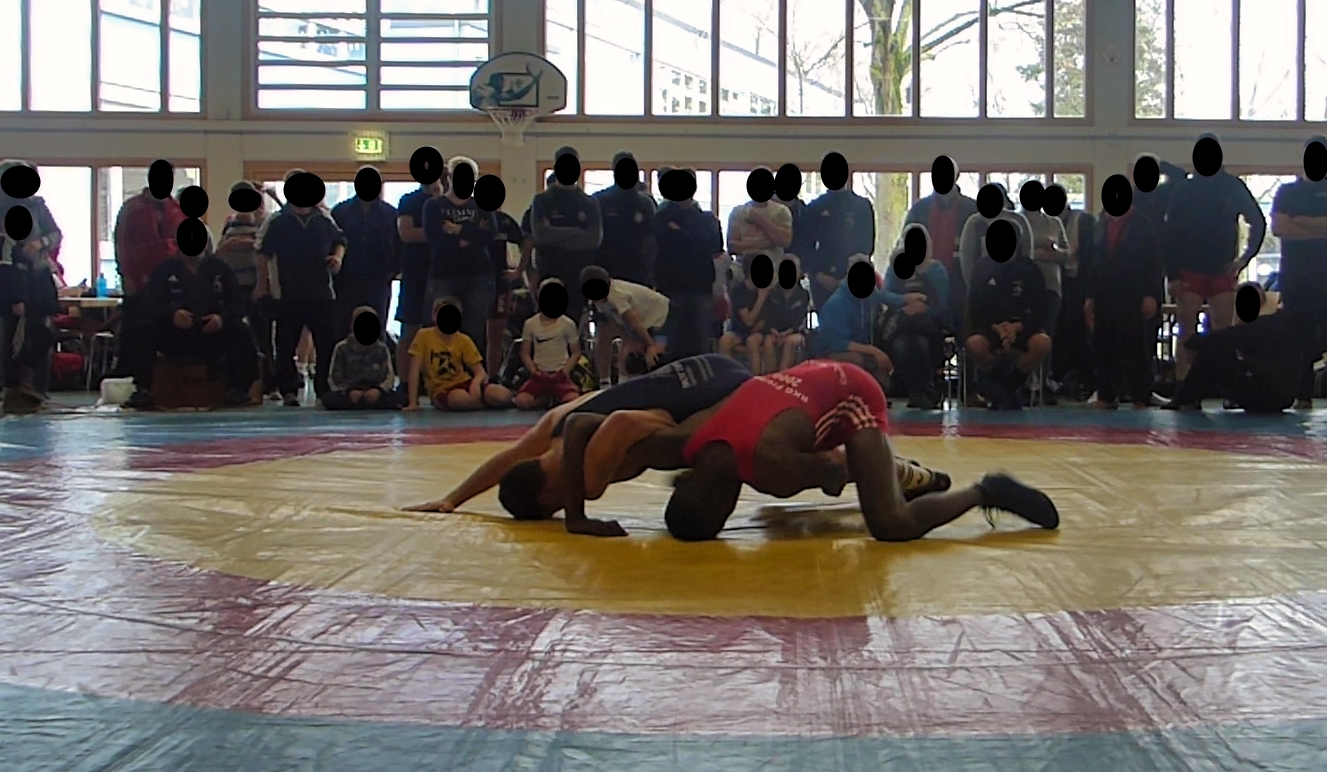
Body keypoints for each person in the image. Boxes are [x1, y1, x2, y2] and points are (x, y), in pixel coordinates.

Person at [561, 360, 1055, 541]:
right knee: (821, 484)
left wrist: (829, 473)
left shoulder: (772, 467)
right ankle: (914, 475)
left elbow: (838, 470)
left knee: (891, 523)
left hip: (851, 390)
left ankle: (985, 491)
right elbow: (580, 424)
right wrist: (575, 517)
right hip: (802, 376)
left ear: (724, 505)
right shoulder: (684, 444)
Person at [1164, 133, 1267, 382]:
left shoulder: (1232, 186)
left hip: (1222, 269)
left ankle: (1224, 385)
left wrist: (1244, 259)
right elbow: (1170, 233)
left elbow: (1258, 222)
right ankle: (1183, 386)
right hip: (1190, 270)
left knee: (1223, 333)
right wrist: (1173, 274)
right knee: (1187, 331)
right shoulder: (1185, 189)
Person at [123, 235, 258, 409]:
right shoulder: (164, 269)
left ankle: (238, 389)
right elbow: (150, 304)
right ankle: (142, 389)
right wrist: (172, 314)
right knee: (144, 329)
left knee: (240, 330)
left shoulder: (220, 268)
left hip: (213, 333)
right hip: (175, 334)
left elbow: (238, 304)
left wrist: (221, 318)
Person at [256, 180, 345, 406]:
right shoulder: (277, 220)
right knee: (285, 344)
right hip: (288, 293)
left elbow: (340, 240)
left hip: (321, 292)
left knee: (326, 343)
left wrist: (337, 258)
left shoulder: (323, 219)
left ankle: (324, 389)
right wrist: (262, 286)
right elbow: (262, 253)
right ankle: (289, 389)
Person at [1085, 186, 1164, 409]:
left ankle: (1141, 396)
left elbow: (1153, 263)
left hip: (1133, 294)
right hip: (1104, 293)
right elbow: (1092, 262)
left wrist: (1151, 294)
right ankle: (1106, 395)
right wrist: (1089, 296)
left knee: (1135, 346)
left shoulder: (1143, 224)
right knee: (1103, 345)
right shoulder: (1100, 225)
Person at [1165, 283, 1298, 413]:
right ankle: (1187, 398)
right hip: (1283, 397)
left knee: (1213, 350)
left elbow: (1213, 339)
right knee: (1216, 346)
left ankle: (1185, 399)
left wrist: (1190, 345)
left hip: (1264, 395)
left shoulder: (1252, 328)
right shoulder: (1277, 322)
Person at [112, 171, 188, 379]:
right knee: (134, 330)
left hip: (169, 282)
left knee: (164, 328)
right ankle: (128, 378)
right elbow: (122, 244)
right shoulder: (132, 208)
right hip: (139, 280)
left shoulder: (176, 209)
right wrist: (125, 274)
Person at [1270, 137, 1327, 409]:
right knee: (1299, 336)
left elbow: (1290, 226)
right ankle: (1301, 394)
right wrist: (1320, 229)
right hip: (1296, 277)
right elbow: (1280, 228)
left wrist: (1300, 222)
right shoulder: (1288, 192)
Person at [0, 161, 62, 412]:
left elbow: (55, 234)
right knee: (11, 338)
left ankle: (35, 389)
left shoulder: (37, 206)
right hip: (12, 278)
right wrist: (15, 295)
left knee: (42, 334)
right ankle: (12, 388)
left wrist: (40, 243)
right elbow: (5, 257)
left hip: (38, 278)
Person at [422, 156, 499, 358]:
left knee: (475, 332)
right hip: (444, 275)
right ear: (450, 177)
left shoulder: (482, 205)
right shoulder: (434, 205)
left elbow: (489, 235)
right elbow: (436, 237)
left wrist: (457, 230)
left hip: (479, 275)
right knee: (442, 330)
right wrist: (471, 236)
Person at [653, 168, 726, 362]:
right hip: (670, 287)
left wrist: (680, 234)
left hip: (700, 287)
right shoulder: (661, 217)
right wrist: (690, 238)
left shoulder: (706, 218)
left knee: (699, 342)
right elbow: (662, 244)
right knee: (669, 343)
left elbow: (714, 247)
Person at [965, 247, 1050, 410]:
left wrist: (1016, 327)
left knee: (1042, 343)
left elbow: (1041, 309)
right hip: (991, 327)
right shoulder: (982, 268)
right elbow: (976, 309)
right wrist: (999, 329)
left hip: (1022, 326)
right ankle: (998, 387)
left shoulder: (1030, 268)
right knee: (974, 344)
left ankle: (1008, 387)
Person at [217, 182, 277, 396]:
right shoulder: (230, 223)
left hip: (256, 284)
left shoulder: (265, 221)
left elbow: (267, 251)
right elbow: (219, 250)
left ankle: (270, 382)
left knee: (263, 335)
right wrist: (226, 247)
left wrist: (262, 285)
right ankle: (239, 382)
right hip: (233, 286)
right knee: (236, 334)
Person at [880, 229, 950, 410]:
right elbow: (884, 295)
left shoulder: (936, 270)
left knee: (920, 344)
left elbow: (942, 306)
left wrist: (924, 309)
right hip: (901, 325)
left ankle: (924, 389)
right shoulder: (895, 269)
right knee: (901, 345)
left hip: (928, 325)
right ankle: (919, 391)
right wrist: (905, 301)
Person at [405, 296, 510, 412]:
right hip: (441, 389)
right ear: (434, 316)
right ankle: (481, 403)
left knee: (501, 395)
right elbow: (414, 370)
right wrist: (413, 403)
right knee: (460, 399)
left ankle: (479, 402)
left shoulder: (463, 339)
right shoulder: (423, 336)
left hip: (465, 382)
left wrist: (475, 383)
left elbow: (480, 371)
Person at [532, 146, 602, 316]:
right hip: (550, 269)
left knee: (576, 320)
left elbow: (594, 239)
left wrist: (555, 232)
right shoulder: (542, 200)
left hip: (579, 273)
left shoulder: (589, 202)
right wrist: (578, 232)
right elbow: (540, 235)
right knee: (549, 322)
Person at [904, 174, 979, 333]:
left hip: (962, 281)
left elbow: (979, 250)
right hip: (926, 282)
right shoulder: (919, 209)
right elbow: (906, 244)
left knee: (963, 331)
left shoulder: (972, 209)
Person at [330, 169, 399, 340]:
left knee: (376, 331)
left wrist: (393, 271)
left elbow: (399, 245)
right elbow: (331, 242)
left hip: (378, 281)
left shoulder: (390, 213)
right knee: (342, 330)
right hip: (346, 281)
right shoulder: (340, 211)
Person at [395, 176, 446, 395]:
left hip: (444, 273)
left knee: (442, 329)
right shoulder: (409, 201)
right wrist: (441, 232)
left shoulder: (450, 202)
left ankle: (436, 379)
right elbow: (406, 234)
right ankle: (405, 382)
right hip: (416, 272)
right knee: (410, 327)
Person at [809, 255, 894, 382]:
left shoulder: (870, 294)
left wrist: (909, 300)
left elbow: (887, 297)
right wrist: (873, 351)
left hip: (863, 348)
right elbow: (837, 343)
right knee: (857, 360)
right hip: (830, 351)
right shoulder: (837, 304)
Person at [580, 265, 669, 383]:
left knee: (653, 355)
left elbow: (635, 323)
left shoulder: (616, 295)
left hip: (662, 315)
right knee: (606, 338)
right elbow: (607, 329)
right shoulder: (595, 300)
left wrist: (650, 345)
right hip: (639, 319)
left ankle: (636, 380)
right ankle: (605, 382)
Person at [803, 180, 876, 312]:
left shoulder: (862, 206)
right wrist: (819, 276)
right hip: (823, 280)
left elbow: (867, 246)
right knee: (827, 321)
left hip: (855, 279)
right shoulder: (815, 207)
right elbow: (806, 247)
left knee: (855, 321)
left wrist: (848, 278)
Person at [513, 278, 582, 410]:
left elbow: (576, 352)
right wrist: (534, 371)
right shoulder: (530, 324)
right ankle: (545, 400)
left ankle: (554, 398)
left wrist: (564, 372)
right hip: (539, 376)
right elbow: (525, 353)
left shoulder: (568, 324)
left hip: (560, 376)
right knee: (522, 401)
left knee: (572, 400)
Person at [592, 150, 657, 287]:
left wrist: (650, 272)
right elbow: (593, 237)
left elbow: (652, 239)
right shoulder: (600, 200)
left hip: (637, 270)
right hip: (607, 267)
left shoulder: (645, 203)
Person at [323, 306, 398, 410]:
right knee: (328, 399)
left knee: (400, 398)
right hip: (350, 391)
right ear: (352, 326)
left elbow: (389, 376)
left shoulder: (382, 348)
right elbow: (334, 378)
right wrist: (348, 391)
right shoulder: (341, 348)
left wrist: (379, 390)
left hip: (374, 390)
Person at [718, 253, 770, 374]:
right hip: (740, 330)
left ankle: (755, 378)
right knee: (725, 340)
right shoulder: (738, 290)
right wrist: (761, 297)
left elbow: (767, 317)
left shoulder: (770, 291)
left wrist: (763, 296)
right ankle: (729, 377)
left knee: (753, 341)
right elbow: (748, 320)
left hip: (760, 330)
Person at [758, 253, 810, 373]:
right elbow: (768, 316)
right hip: (774, 331)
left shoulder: (803, 294)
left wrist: (788, 332)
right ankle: (771, 376)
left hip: (795, 332)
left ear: (799, 273)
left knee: (790, 342)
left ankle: (783, 374)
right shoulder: (772, 294)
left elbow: (800, 319)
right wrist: (773, 330)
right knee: (768, 342)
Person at [727, 174, 794, 264]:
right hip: (742, 266)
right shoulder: (738, 212)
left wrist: (759, 220)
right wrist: (764, 244)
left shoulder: (782, 211)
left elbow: (785, 241)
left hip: (773, 265)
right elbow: (732, 247)